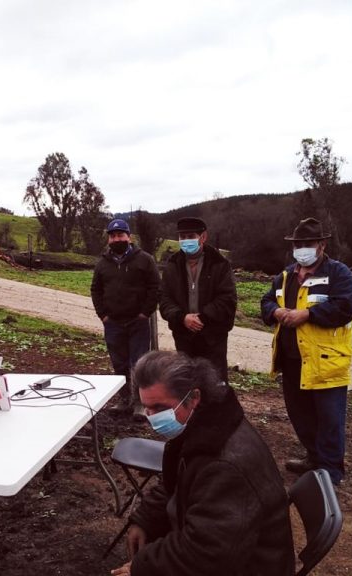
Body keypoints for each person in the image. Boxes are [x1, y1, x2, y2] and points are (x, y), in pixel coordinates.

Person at [111, 351, 294, 576]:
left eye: (160, 408)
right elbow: (175, 482)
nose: (152, 418)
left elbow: (206, 553)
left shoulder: (224, 465)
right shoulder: (202, 427)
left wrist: (143, 566)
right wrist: (145, 519)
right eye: (147, 408)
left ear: (194, 397)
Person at [260, 217, 352, 485]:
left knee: (329, 419)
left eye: (308, 243)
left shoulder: (338, 274)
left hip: (325, 361)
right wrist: (275, 311)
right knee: (300, 415)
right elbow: (266, 301)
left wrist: (308, 314)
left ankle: (330, 473)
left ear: (322, 245)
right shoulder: (285, 276)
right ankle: (314, 459)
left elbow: (346, 307)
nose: (301, 249)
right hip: (292, 361)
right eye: (297, 244)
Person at [91, 218, 160, 418]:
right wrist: (103, 315)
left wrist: (145, 313)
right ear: (109, 239)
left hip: (138, 322)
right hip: (113, 323)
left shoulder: (145, 260)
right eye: (112, 236)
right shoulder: (102, 263)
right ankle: (124, 400)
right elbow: (96, 289)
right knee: (119, 363)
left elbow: (155, 287)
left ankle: (140, 403)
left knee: (139, 363)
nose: (116, 239)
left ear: (129, 237)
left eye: (120, 235)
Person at [159, 217, 237, 382]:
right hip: (183, 336)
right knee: (187, 381)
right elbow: (165, 299)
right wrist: (182, 317)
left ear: (203, 237)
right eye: (182, 237)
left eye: (190, 236)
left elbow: (227, 299)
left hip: (213, 337)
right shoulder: (172, 264)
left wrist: (203, 318)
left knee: (214, 382)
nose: (186, 240)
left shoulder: (219, 263)